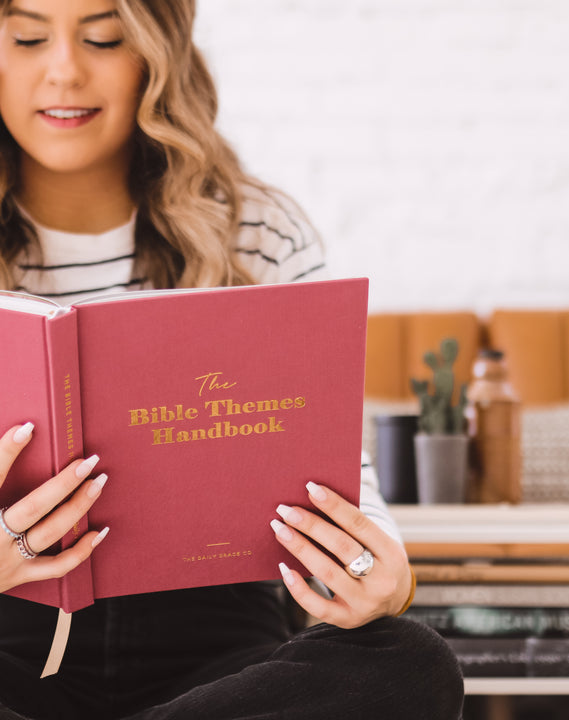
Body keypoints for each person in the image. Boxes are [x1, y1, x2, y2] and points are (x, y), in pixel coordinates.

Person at [0, 1, 464, 718]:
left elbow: (343, 469)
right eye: (29, 38)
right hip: (12, 636)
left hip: (218, 648)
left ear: (156, 58)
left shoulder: (257, 231)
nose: (64, 68)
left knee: (411, 663)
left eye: (103, 38)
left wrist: (384, 576)